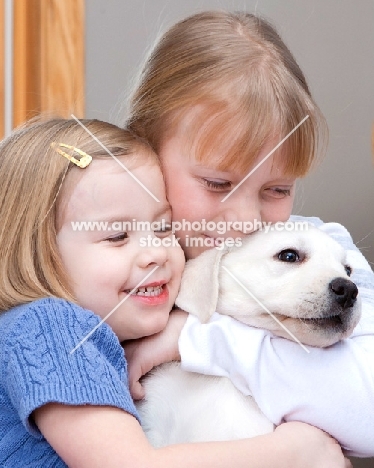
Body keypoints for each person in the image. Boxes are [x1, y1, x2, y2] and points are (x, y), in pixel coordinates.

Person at [0, 117, 348, 467]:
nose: (156, 252)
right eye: (118, 235)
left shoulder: (100, 335)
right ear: (38, 250)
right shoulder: (48, 327)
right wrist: (301, 451)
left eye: (163, 228)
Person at [124, 10, 374, 459]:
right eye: (217, 183)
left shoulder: (327, 247)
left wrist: (195, 339)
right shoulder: (108, 267)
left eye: (277, 190)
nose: (245, 220)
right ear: (144, 151)